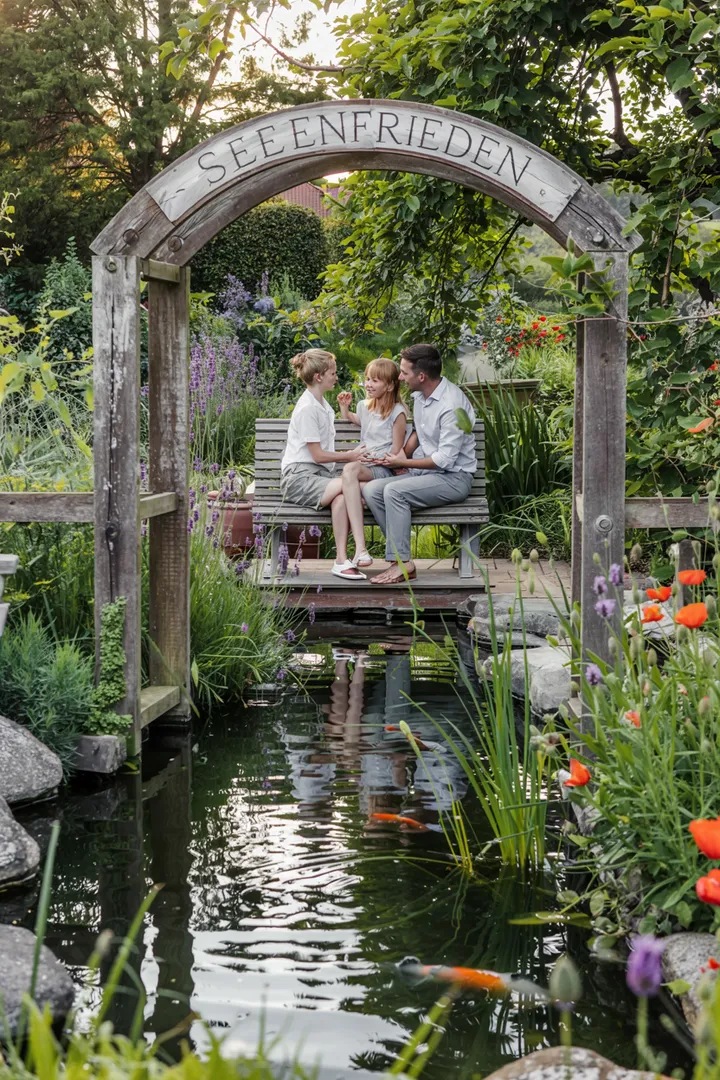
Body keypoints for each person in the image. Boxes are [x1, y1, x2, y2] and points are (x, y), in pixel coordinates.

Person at [363, 344, 476, 585]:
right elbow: (418, 433)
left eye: (404, 373)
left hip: (454, 478)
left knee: (394, 491)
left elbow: (445, 460)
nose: (400, 377)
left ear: (421, 376)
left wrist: (405, 461)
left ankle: (402, 563)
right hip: (428, 475)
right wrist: (399, 458)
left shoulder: (451, 405)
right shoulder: (420, 396)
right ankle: (401, 562)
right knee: (372, 489)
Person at [280, 349, 368, 581]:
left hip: (317, 476)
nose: (336, 377)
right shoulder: (308, 408)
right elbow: (317, 455)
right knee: (352, 488)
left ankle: (341, 560)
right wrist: (349, 455)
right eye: (332, 372)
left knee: (342, 497)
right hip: (298, 478)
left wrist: (344, 411)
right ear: (319, 376)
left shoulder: (320, 404)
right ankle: (360, 549)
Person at [336, 357, 411, 571]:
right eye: (367, 379)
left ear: (389, 385)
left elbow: (396, 451)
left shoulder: (398, 413)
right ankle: (361, 550)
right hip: (368, 469)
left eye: (375, 380)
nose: (368, 384)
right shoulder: (364, 406)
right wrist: (344, 409)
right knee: (350, 485)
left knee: (349, 469)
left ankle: (360, 548)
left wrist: (377, 458)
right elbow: (360, 421)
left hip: (385, 469)